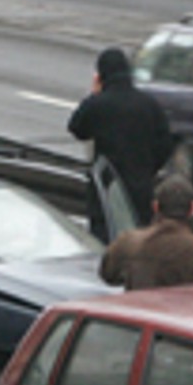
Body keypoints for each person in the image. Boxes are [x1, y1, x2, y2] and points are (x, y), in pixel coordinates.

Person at [67, 46, 176, 240]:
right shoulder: (148, 104)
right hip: (141, 188)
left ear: (101, 75)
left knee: (105, 240)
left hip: (107, 190)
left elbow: (77, 128)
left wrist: (94, 94)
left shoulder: (99, 104)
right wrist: (149, 167)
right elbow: (166, 143)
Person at [100, 175, 193, 290]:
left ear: (156, 207)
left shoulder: (128, 242)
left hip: (138, 315)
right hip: (181, 317)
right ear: (192, 208)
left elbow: (108, 275)